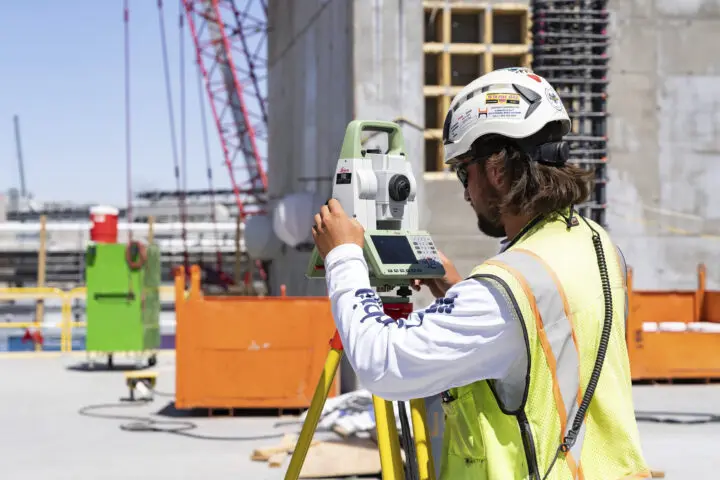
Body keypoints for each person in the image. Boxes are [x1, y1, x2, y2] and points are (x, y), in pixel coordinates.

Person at [311, 68, 649, 480]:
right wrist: (460, 290)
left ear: (496, 170)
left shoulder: (502, 294)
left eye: (463, 172)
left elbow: (382, 365)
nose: (467, 192)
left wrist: (344, 255)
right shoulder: (596, 244)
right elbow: (544, 344)